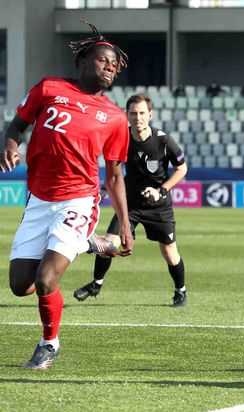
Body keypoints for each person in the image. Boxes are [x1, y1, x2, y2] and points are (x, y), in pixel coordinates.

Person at [0, 21, 134, 370]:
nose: (109, 67)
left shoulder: (116, 118)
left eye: (114, 66)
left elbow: (116, 175)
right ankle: (86, 242)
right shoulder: (48, 88)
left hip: (79, 200)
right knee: (20, 285)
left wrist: (126, 226)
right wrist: (10, 146)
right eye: (104, 60)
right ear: (83, 61)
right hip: (39, 199)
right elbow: (16, 126)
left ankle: (49, 344)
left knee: (46, 279)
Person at [73, 93, 189, 307]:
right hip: (129, 204)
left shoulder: (163, 140)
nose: (138, 118)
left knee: (169, 253)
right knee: (108, 245)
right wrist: (102, 193)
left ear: (150, 115)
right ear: (127, 115)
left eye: (142, 113)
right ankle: (96, 284)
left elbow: (182, 168)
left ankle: (180, 292)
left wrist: (161, 190)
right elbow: (114, 172)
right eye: (133, 113)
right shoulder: (121, 139)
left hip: (158, 206)